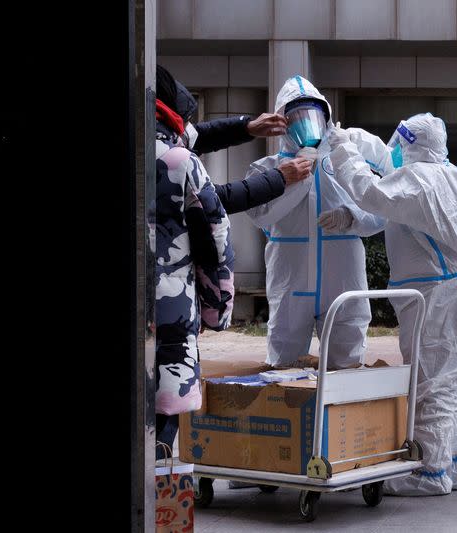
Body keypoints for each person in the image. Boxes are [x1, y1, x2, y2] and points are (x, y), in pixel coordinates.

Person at [325, 113, 457, 495]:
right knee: (449, 384)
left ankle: (429, 473)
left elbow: (372, 193)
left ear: (408, 143)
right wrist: (350, 219)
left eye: (396, 143)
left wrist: (342, 148)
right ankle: (454, 464)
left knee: (428, 384)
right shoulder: (451, 176)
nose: (391, 150)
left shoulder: (419, 180)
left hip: (434, 298)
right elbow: (393, 214)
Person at [244, 75, 393, 369]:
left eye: (311, 115)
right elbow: (260, 214)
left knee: (347, 370)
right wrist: (295, 179)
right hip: (290, 283)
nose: (305, 123)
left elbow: (384, 209)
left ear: (326, 117)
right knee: (283, 371)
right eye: (296, 116)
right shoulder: (268, 170)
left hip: (342, 281)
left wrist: (352, 219)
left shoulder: (345, 160)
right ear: (283, 122)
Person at [153, 68, 235, 458]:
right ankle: (156, 480)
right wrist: (217, 304)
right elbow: (215, 237)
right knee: (165, 406)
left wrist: (246, 127)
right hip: (169, 306)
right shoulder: (180, 160)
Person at [156, 65, 312, 214]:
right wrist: (279, 178)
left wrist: (245, 127)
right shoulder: (170, 158)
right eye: (185, 122)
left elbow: (197, 136)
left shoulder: (156, 137)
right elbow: (213, 199)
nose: (189, 129)